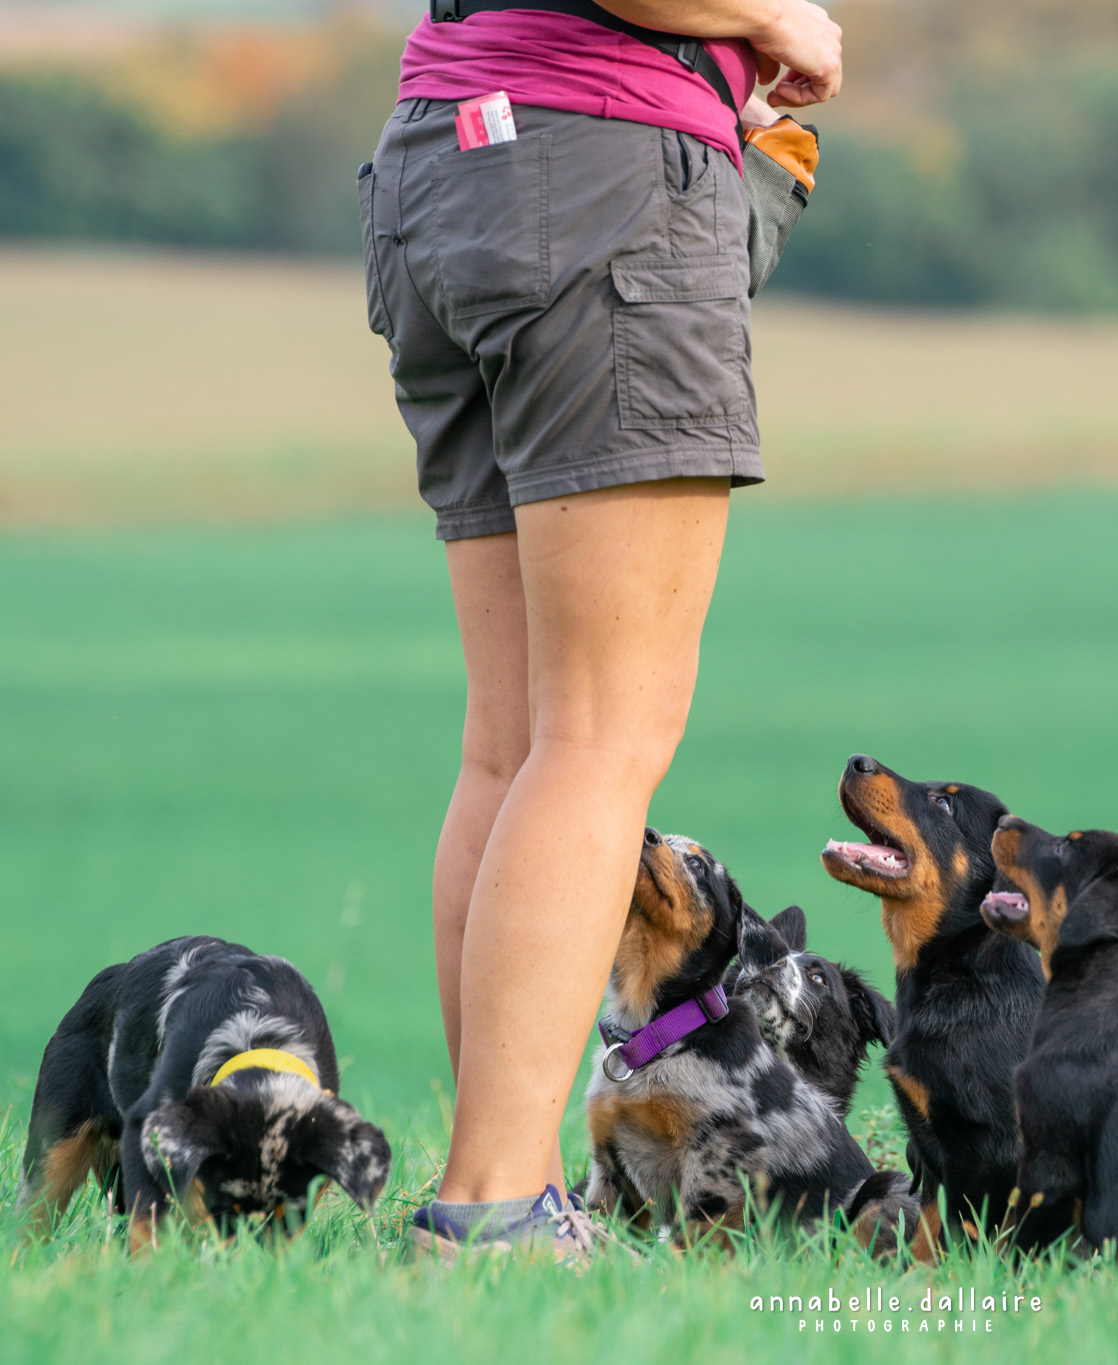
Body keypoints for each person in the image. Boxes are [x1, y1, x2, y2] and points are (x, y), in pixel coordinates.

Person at [358, 0, 842, 1260]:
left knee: (515, 741)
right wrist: (771, 17)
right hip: (592, 167)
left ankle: (501, 1193)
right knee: (597, 739)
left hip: (448, 162)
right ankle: (495, 1212)